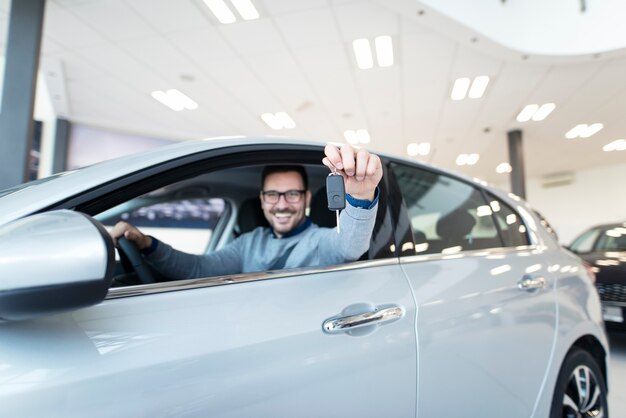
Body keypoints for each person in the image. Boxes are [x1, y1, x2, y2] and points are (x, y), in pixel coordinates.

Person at [109, 143, 382, 280]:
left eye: (292, 194)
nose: (282, 204)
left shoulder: (321, 240)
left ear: (306, 198)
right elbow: (196, 269)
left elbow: (350, 246)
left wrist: (359, 195)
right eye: (273, 195)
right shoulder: (249, 244)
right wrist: (144, 243)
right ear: (262, 200)